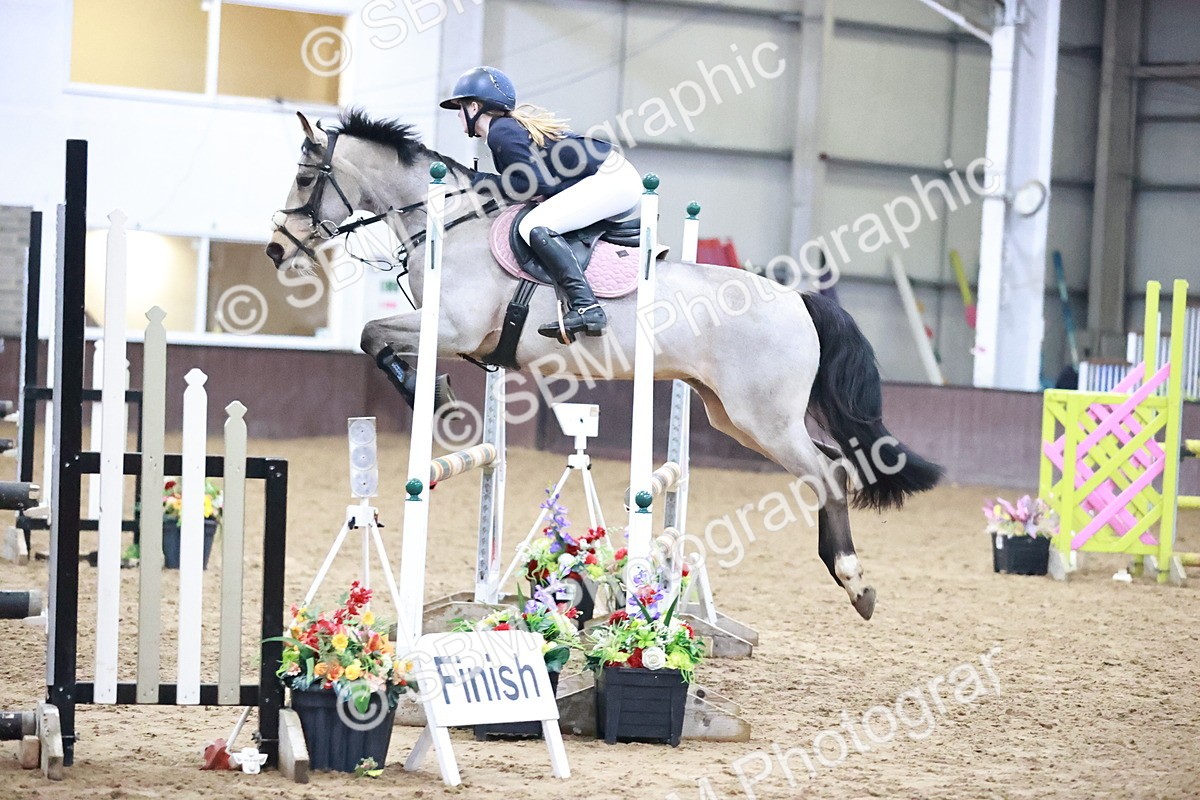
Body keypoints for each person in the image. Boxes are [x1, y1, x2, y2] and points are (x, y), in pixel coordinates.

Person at [440, 66, 643, 343]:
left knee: (534, 225)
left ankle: (587, 306)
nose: (458, 117)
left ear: (474, 106)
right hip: (611, 177)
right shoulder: (504, 130)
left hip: (611, 180)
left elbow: (531, 185)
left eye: (459, 108)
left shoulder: (502, 132)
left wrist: (480, 182)